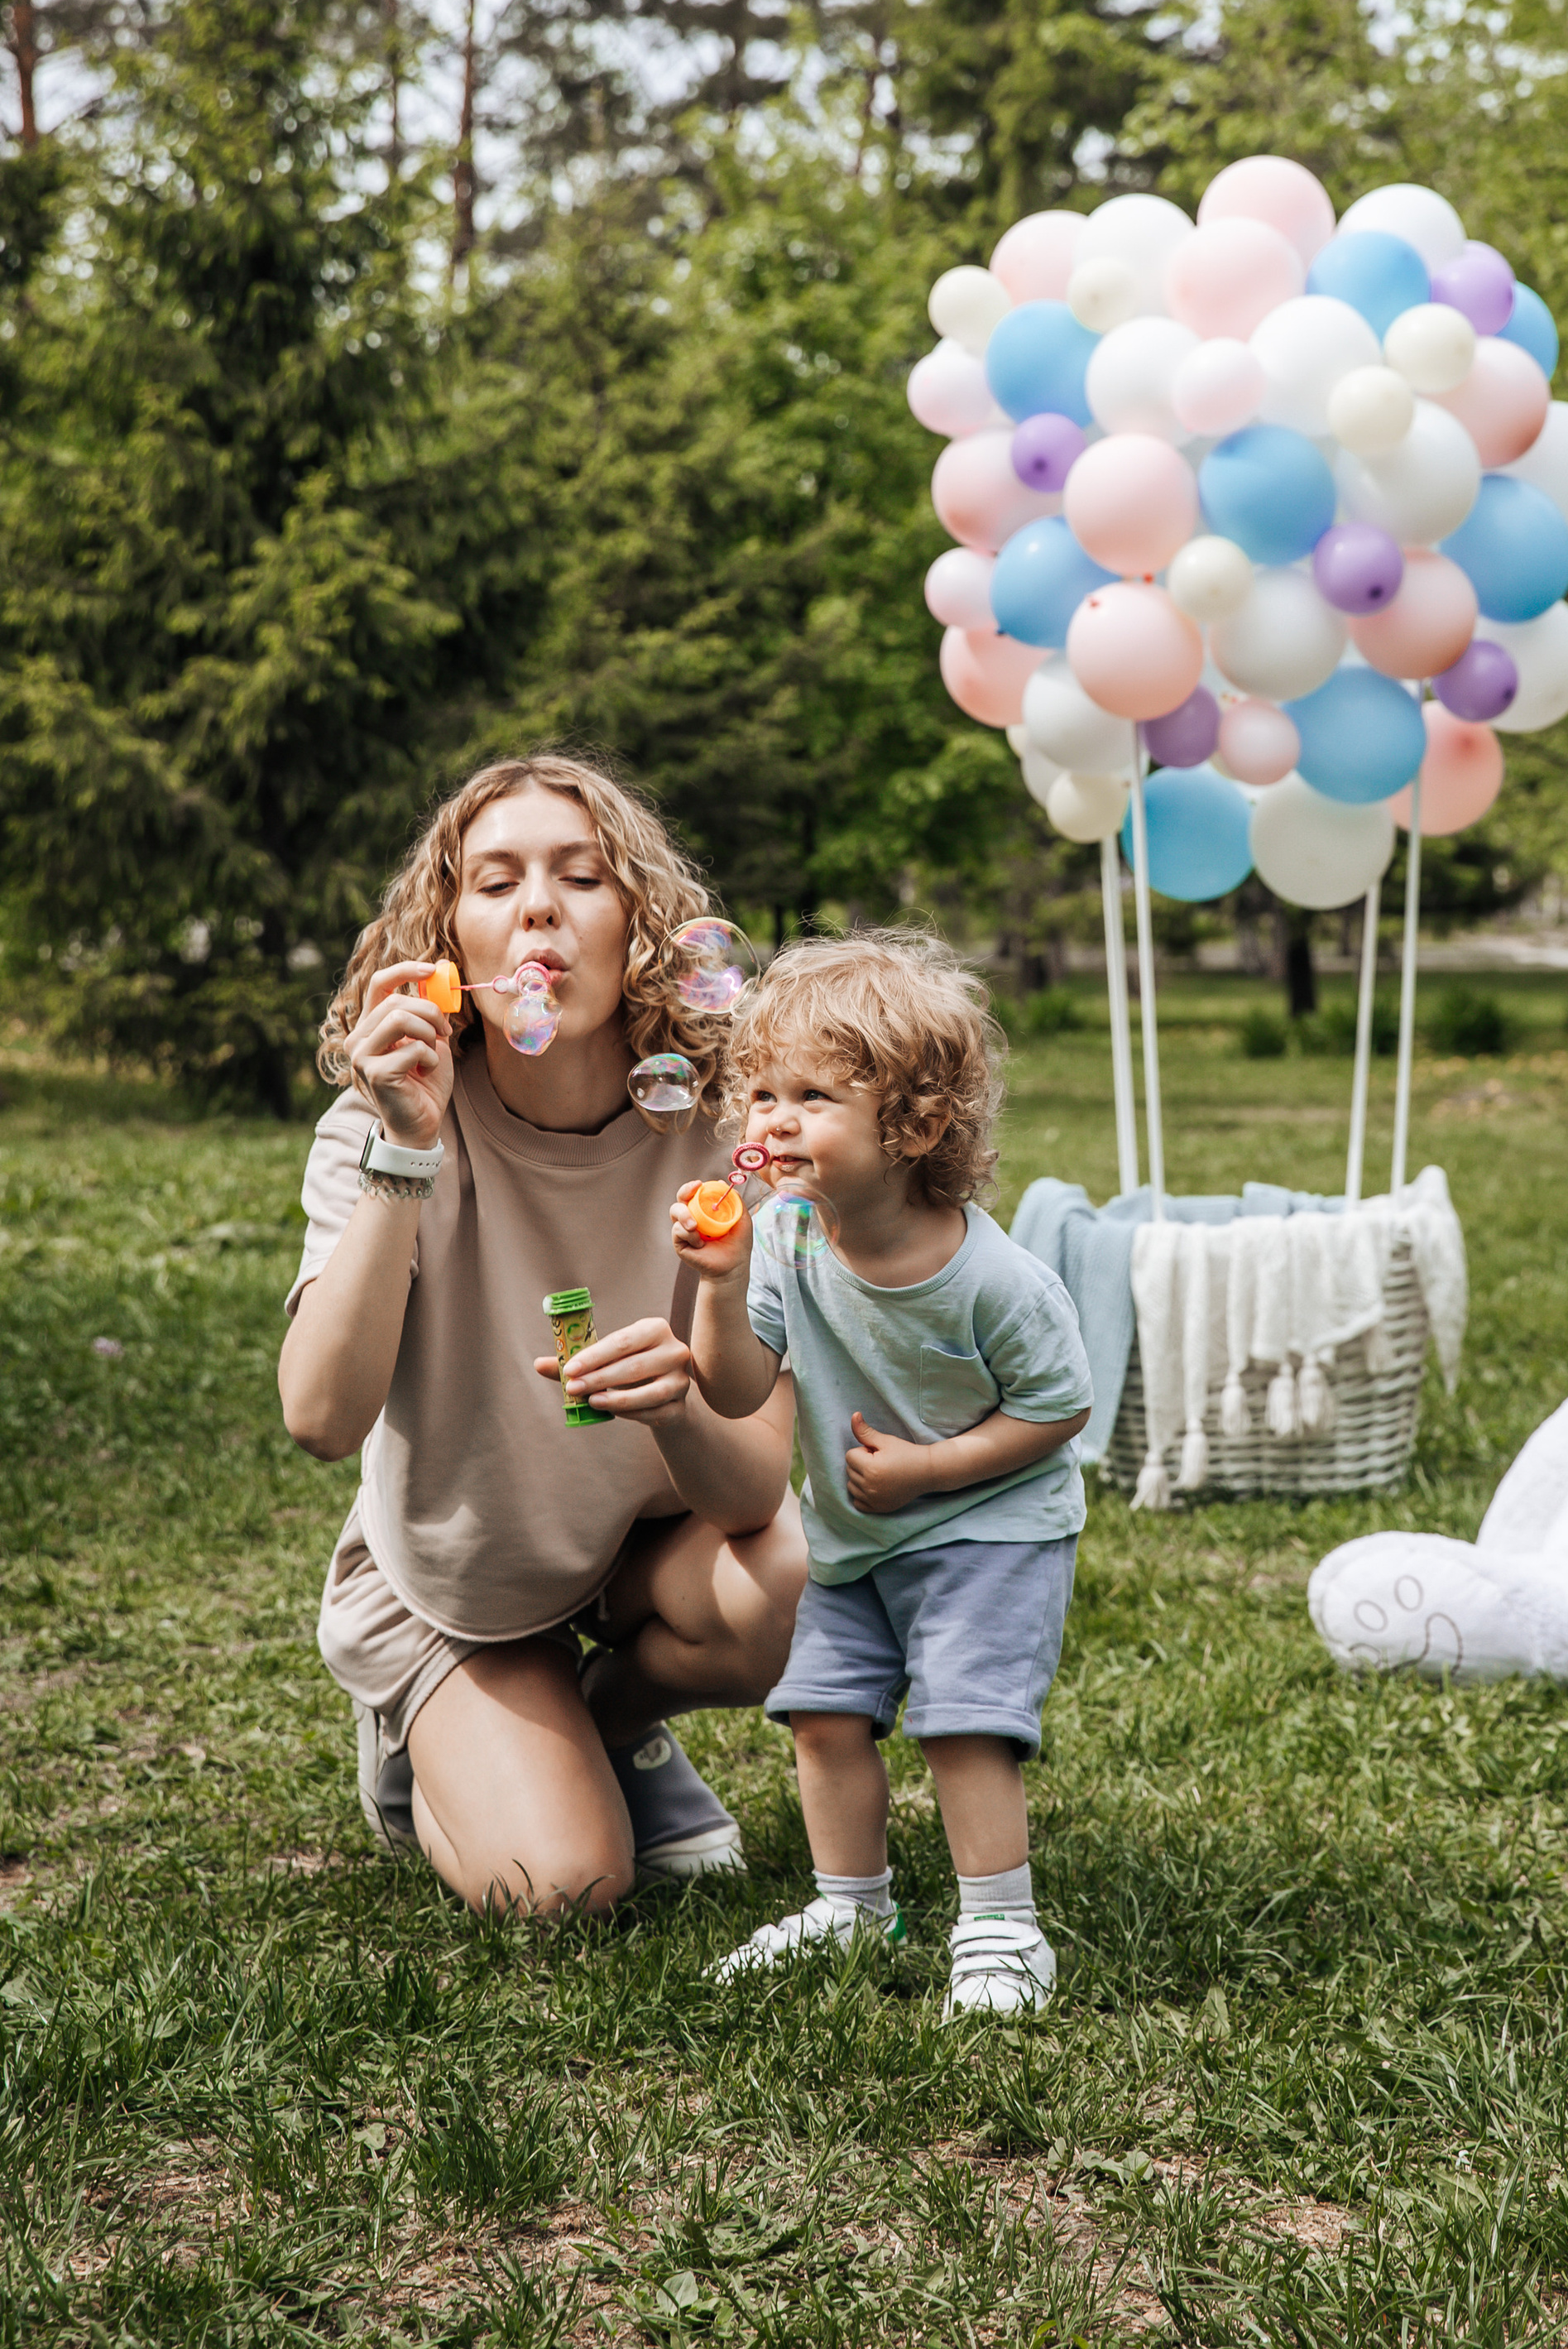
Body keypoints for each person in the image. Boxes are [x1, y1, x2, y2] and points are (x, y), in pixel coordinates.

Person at [280, 754, 806, 1916]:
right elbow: (319, 1418)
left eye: (582, 877)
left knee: (789, 1585)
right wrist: (405, 1152)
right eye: (496, 881)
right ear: (449, 940)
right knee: (565, 1888)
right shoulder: (384, 1125)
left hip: (636, 1548)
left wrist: (677, 1405)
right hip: (460, 1581)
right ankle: (421, 1747)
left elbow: (758, 1488)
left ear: (642, 926)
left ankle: (601, 1727)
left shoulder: (730, 1129)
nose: (538, 910)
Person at [683, 933, 1092, 2017]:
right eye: (758, 1091)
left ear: (914, 1127)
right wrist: (719, 1287)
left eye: (811, 1094)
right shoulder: (786, 1239)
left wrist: (931, 1469)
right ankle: (850, 1905)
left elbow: (1061, 1409)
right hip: (860, 1538)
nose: (770, 1118)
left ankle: (1005, 1928)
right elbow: (731, 1389)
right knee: (822, 1715)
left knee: (963, 1724)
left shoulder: (994, 1279)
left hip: (991, 1529)